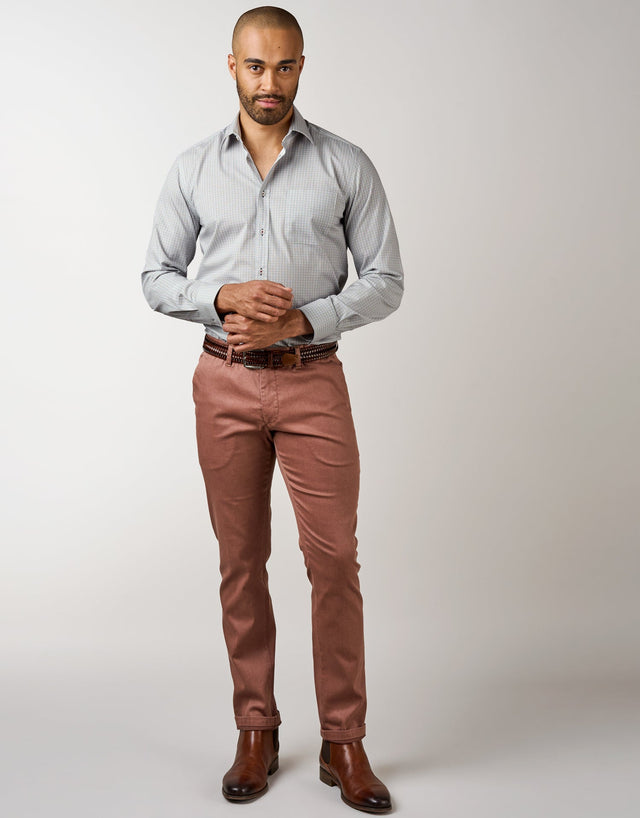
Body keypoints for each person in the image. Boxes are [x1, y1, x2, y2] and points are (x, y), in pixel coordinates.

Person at [141, 6, 403, 813]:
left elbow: (385, 279)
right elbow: (155, 277)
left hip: (312, 379)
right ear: (232, 66)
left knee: (334, 562)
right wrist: (220, 296)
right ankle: (255, 729)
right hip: (222, 382)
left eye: (285, 66)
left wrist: (304, 320)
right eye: (256, 66)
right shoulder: (193, 168)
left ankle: (343, 740)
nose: (270, 82)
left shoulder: (346, 164)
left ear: (301, 67)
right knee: (241, 561)